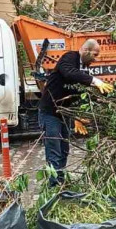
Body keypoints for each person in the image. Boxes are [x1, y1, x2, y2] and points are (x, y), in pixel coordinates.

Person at [38, 39, 112, 187]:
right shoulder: (69, 58)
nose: (95, 59)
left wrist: (77, 116)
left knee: (64, 150)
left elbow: (77, 93)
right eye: (95, 55)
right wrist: (95, 81)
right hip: (50, 113)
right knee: (55, 151)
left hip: (64, 113)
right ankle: (54, 187)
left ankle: (60, 181)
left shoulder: (83, 67)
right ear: (86, 51)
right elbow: (69, 73)